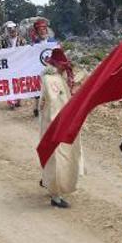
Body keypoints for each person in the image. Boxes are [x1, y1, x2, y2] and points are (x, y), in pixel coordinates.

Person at [38, 48, 84, 208]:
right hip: (55, 122)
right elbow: (55, 103)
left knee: (55, 156)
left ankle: (48, 181)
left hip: (53, 121)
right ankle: (55, 195)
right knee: (57, 157)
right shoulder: (52, 80)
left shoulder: (55, 78)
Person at [30, 18, 56, 117]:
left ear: (46, 30)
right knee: (38, 89)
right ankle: (36, 107)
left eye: (44, 29)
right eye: (40, 30)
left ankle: (51, 109)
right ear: (37, 32)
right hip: (38, 69)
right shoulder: (34, 44)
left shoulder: (53, 42)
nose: (42, 31)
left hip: (50, 69)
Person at [2, 21, 27, 109]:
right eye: (10, 30)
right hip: (9, 64)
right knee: (10, 82)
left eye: (13, 30)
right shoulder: (4, 41)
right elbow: (2, 52)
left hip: (19, 64)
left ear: (16, 30)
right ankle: (11, 101)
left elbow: (25, 52)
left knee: (19, 82)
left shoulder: (22, 40)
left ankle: (18, 100)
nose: (12, 32)